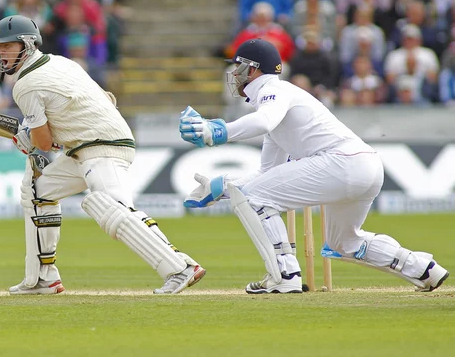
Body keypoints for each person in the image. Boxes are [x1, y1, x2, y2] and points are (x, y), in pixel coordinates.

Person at [177, 38, 449, 294]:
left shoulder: (273, 90)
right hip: (364, 165)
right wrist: (224, 187)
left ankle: (284, 276)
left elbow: (262, 123)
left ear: (254, 69)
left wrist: (216, 130)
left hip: (340, 161)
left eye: (239, 66)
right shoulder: (276, 106)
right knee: (344, 244)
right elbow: (267, 174)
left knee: (255, 199)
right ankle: (424, 269)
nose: (235, 73)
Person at [0, 15, 205, 295]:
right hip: (84, 148)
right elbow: (105, 98)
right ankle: (43, 277)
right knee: (37, 191)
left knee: (109, 205)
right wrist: (48, 135)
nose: (0, 53)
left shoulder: (25, 85)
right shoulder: (62, 62)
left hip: (102, 146)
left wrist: (29, 138)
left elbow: (42, 141)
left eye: (6, 46)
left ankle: (179, 267)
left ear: (27, 44)